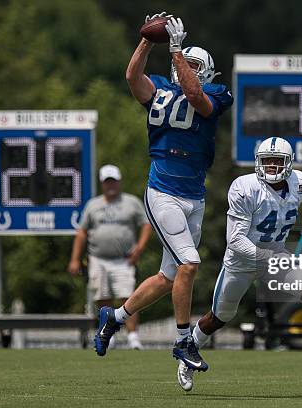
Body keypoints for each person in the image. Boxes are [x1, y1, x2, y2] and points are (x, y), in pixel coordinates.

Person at [93, 12, 233, 373]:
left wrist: (175, 52)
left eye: (195, 64)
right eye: (187, 62)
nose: (189, 67)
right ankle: (183, 341)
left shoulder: (218, 92)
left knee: (167, 278)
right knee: (190, 264)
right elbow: (132, 77)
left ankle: (115, 317)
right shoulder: (158, 89)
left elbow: (195, 95)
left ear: (209, 70)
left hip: (194, 196)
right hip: (163, 190)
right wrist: (147, 40)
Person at [177, 137, 302, 391]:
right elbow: (235, 241)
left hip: (275, 256)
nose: (270, 166)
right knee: (220, 317)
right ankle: (187, 356)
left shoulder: (301, 184)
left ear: (288, 164)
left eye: (276, 161)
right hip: (241, 262)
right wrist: (267, 257)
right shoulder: (245, 188)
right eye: (266, 161)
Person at [68, 164, 152, 350]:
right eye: (107, 182)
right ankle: (109, 335)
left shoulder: (131, 202)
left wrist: (139, 249)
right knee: (102, 296)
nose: (110, 185)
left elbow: (146, 225)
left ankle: (133, 337)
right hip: (98, 258)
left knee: (128, 297)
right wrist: (75, 259)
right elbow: (82, 232)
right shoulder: (93, 205)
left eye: (113, 181)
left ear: (119, 181)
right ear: (102, 183)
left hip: (124, 259)